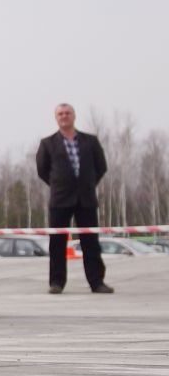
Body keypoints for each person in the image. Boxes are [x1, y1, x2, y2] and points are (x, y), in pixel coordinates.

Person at [36, 102, 112, 294]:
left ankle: (97, 282)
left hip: (86, 199)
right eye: (60, 113)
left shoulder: (90, 141)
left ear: (74, 116)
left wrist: (87, 184)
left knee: (91, 243)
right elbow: (43, 170)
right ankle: (56, 283)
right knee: (57, 244)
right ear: (56, 118)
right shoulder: (47, 143)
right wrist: (60, 185)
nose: (64, 116)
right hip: (60, 200)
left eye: (67, 113)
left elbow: (100, 167)